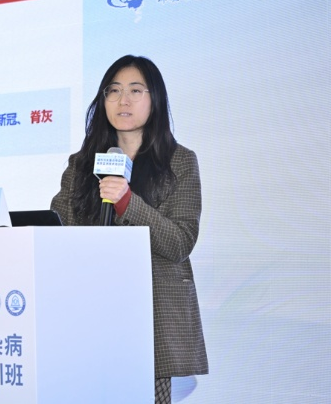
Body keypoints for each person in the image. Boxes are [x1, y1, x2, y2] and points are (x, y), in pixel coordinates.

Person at [50, 55, 208, 403]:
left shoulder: (180, 161)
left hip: (150, 320)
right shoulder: (81, 165)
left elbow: (180, 241)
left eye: (135, 90)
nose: (123, 100)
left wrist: (127, 202)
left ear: (155, 99)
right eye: (114, 90)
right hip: (89, 314)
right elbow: (59, 229)